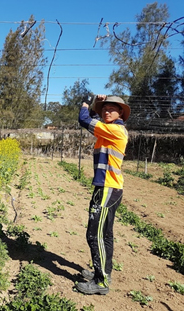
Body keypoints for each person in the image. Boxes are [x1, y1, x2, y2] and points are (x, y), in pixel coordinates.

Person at [76, 94, 130, 295]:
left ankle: (101, 282)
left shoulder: (115, 130)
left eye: (111, 109)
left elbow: (84, 119)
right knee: (105, 234)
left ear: (120, 113)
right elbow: (90, 120)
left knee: (94, 234)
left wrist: (86, 102)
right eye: (104, 109)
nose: (106, 112)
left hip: (108, 188)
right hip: (109, 187)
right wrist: (94, 107)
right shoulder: (107, 131)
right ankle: (103, 273)